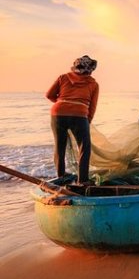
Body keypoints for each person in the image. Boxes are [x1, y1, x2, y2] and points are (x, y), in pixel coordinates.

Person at [45, 55, 99, 184]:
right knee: (84, 147)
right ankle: (83, 181)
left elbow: (49, 95)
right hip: (79, 115)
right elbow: (92, 106)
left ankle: (61, 176)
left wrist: (62, 103)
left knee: (59, 146)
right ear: (91, 70)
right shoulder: (93, 84)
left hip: (58, 114)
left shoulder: (63, 78)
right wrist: (88, 120)